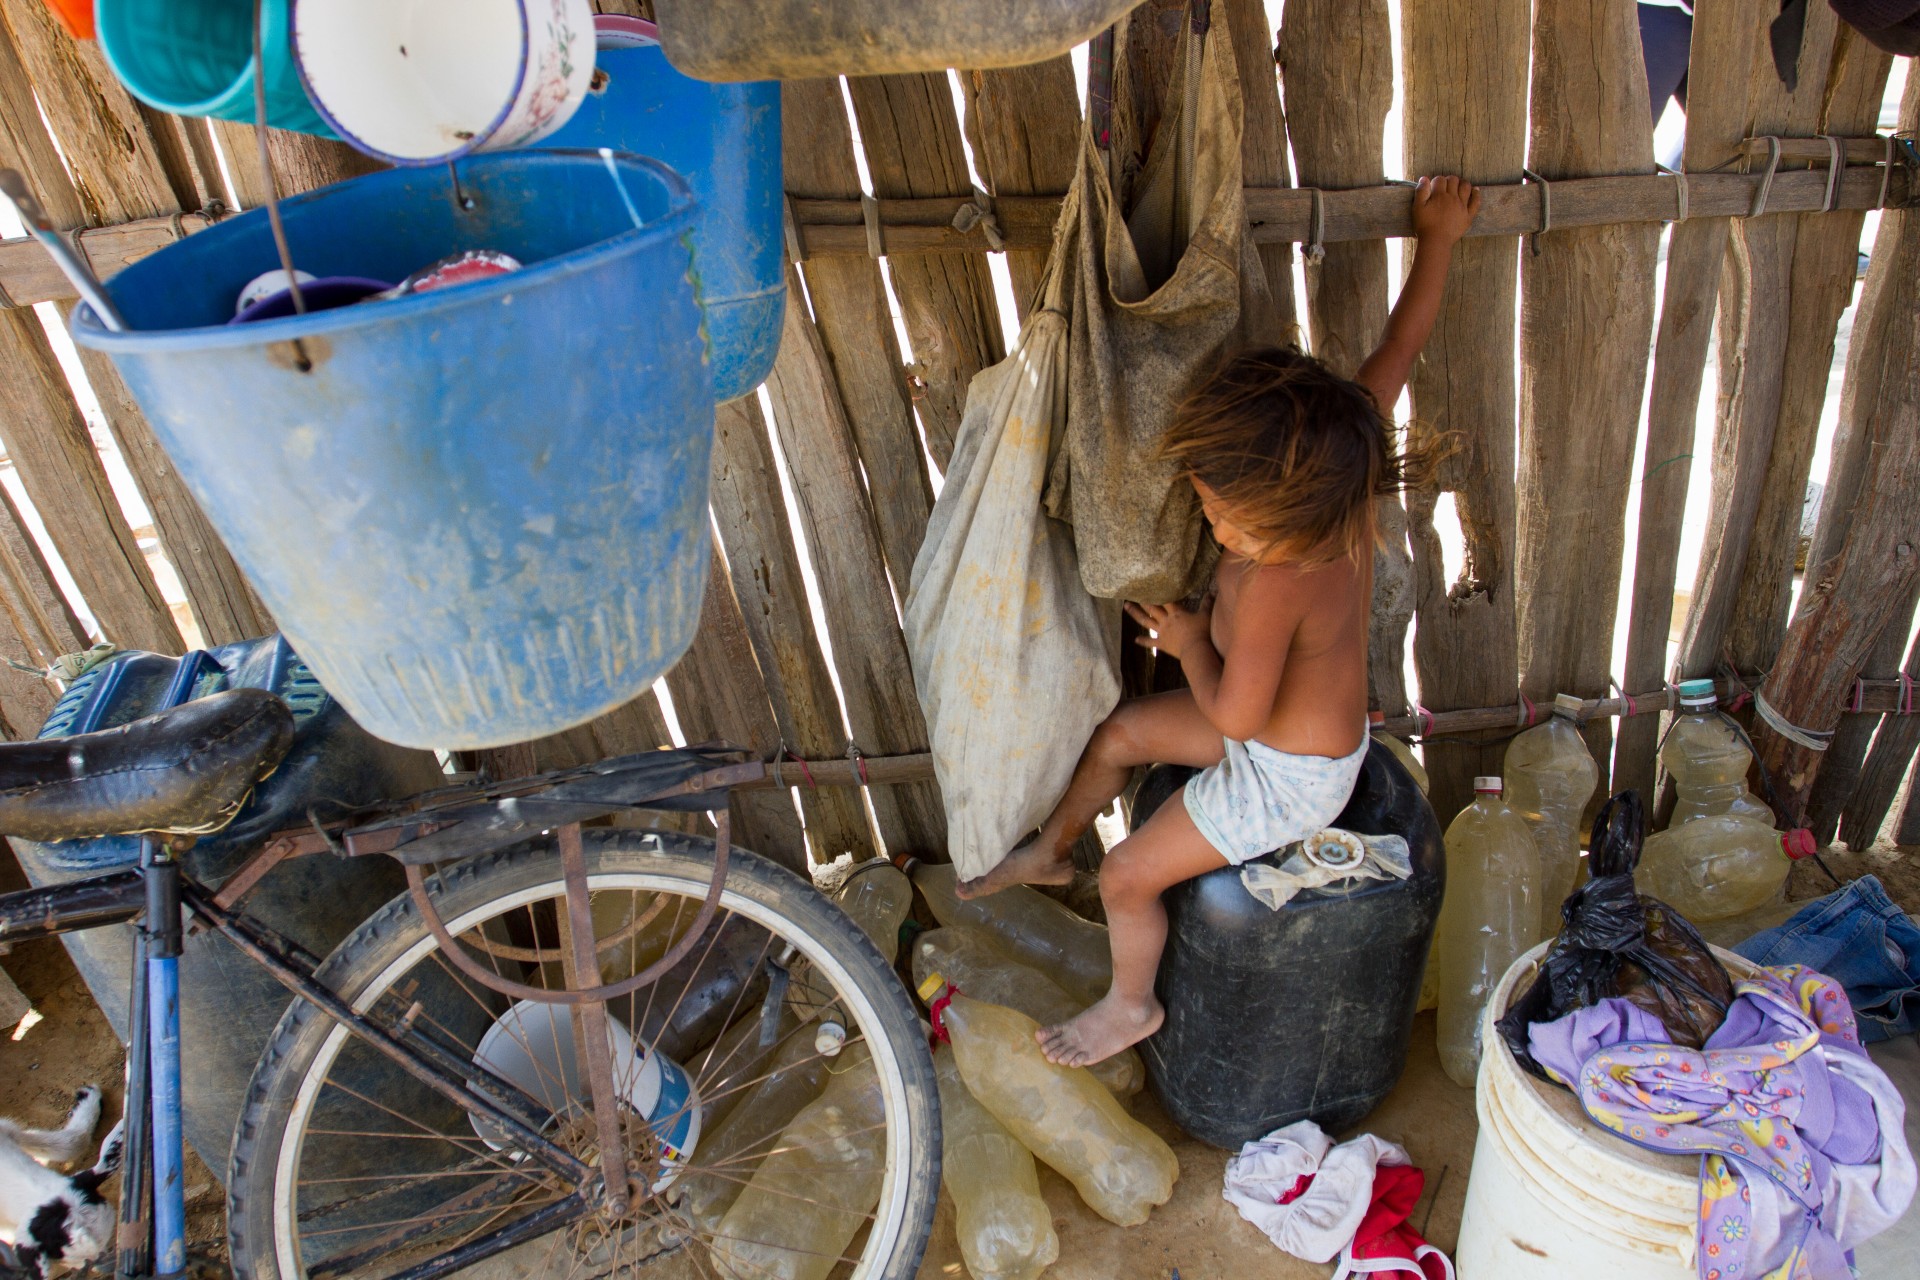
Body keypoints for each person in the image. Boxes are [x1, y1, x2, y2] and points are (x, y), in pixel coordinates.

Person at [957, 175, 1482, 1069]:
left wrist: (1195, 641)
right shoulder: (1336, 455)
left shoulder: (1284, 574)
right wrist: (1439, 236)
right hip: (1272, 730)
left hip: (1288, 773)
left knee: (1130, 878)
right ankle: (1050, 849)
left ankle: (1130, 1006)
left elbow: (1239, 719)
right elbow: (1403, 343)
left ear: (1284, 512)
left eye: (1229, 518)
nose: (1214, 526)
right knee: (1121, 732)